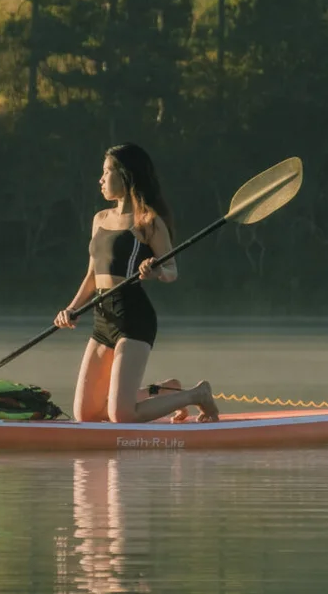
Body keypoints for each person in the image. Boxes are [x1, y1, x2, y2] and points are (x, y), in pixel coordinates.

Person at [54, 143, 218, 423]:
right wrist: (70, 309)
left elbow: (171, 269)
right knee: (86, 415)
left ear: (126, 175)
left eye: (107, 172)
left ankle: (197, 394)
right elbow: (92, 276)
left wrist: (155, 272)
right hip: (102, 318)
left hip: (134, 318)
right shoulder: (100, 219)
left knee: (121, 415)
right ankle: (166, 390)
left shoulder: (149, 221)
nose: (101, 179)